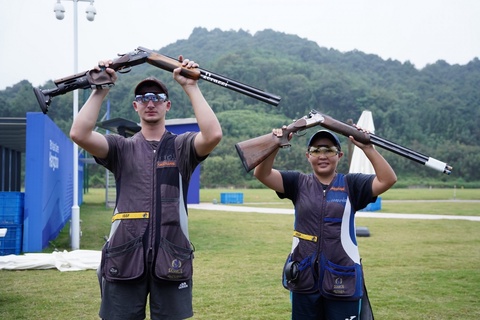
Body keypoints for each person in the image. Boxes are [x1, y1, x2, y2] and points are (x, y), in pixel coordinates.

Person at [70, 56, 222, 320]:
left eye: (157, 97)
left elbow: (212, 135)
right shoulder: (120, 147)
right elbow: (79, 134)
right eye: (143, 98)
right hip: (124, 255)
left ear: (168, 105)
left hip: (172, 254)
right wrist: (100, 89)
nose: (150, 102)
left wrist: (191, 86)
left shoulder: (181, 147)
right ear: (135, 106)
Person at [253, 128, 397, 320]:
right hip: (303, 278)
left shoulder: (351, 184)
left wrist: (368, 148)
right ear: (308, 156)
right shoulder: (297, 182)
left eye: (328, 150)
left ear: (339, 155)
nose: (322, 155)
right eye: (316, 150)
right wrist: (275, 143)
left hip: (343, 279)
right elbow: (261, 173)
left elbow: (388, 179)